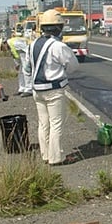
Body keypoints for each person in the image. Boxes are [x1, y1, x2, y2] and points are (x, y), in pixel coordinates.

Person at [24, 9, 79, 166]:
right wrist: (61, 71)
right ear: (59, 28)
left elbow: (27, 68)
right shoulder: (58, 46)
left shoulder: (32, 44)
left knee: (43, 124)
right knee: (56, 125)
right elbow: (73, 66)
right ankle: (56, 158)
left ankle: (45, 155)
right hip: (54, 90)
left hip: (37, 90)